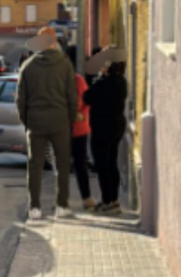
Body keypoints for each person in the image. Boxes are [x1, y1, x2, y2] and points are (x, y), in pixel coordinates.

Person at [16, 26, 77, 221]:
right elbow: (72, 97)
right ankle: (61, 205)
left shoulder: (28, 66)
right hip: (60, 121)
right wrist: (70, 119)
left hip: (36, 122)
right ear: (54, 42)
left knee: (35, 165)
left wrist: (27, 121)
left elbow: (20, 100)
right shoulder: (65, 65)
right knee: (62, 165)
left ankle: (35, 207)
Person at [84, 47, 129, 215]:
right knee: (112, 163)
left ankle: (107, 201)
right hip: (117, 125)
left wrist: (99, 77)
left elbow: (88, 97)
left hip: (103, 127)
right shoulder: (121, 81)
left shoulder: (104, 82)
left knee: (103, 165)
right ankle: (114, 200)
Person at [71, 72, 96, 211]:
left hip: (77, 128)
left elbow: (85, 101)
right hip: (62, 128)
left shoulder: (77, 80)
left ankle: (86, 198)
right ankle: (62, 200)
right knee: (67, 165)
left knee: (79, 164)